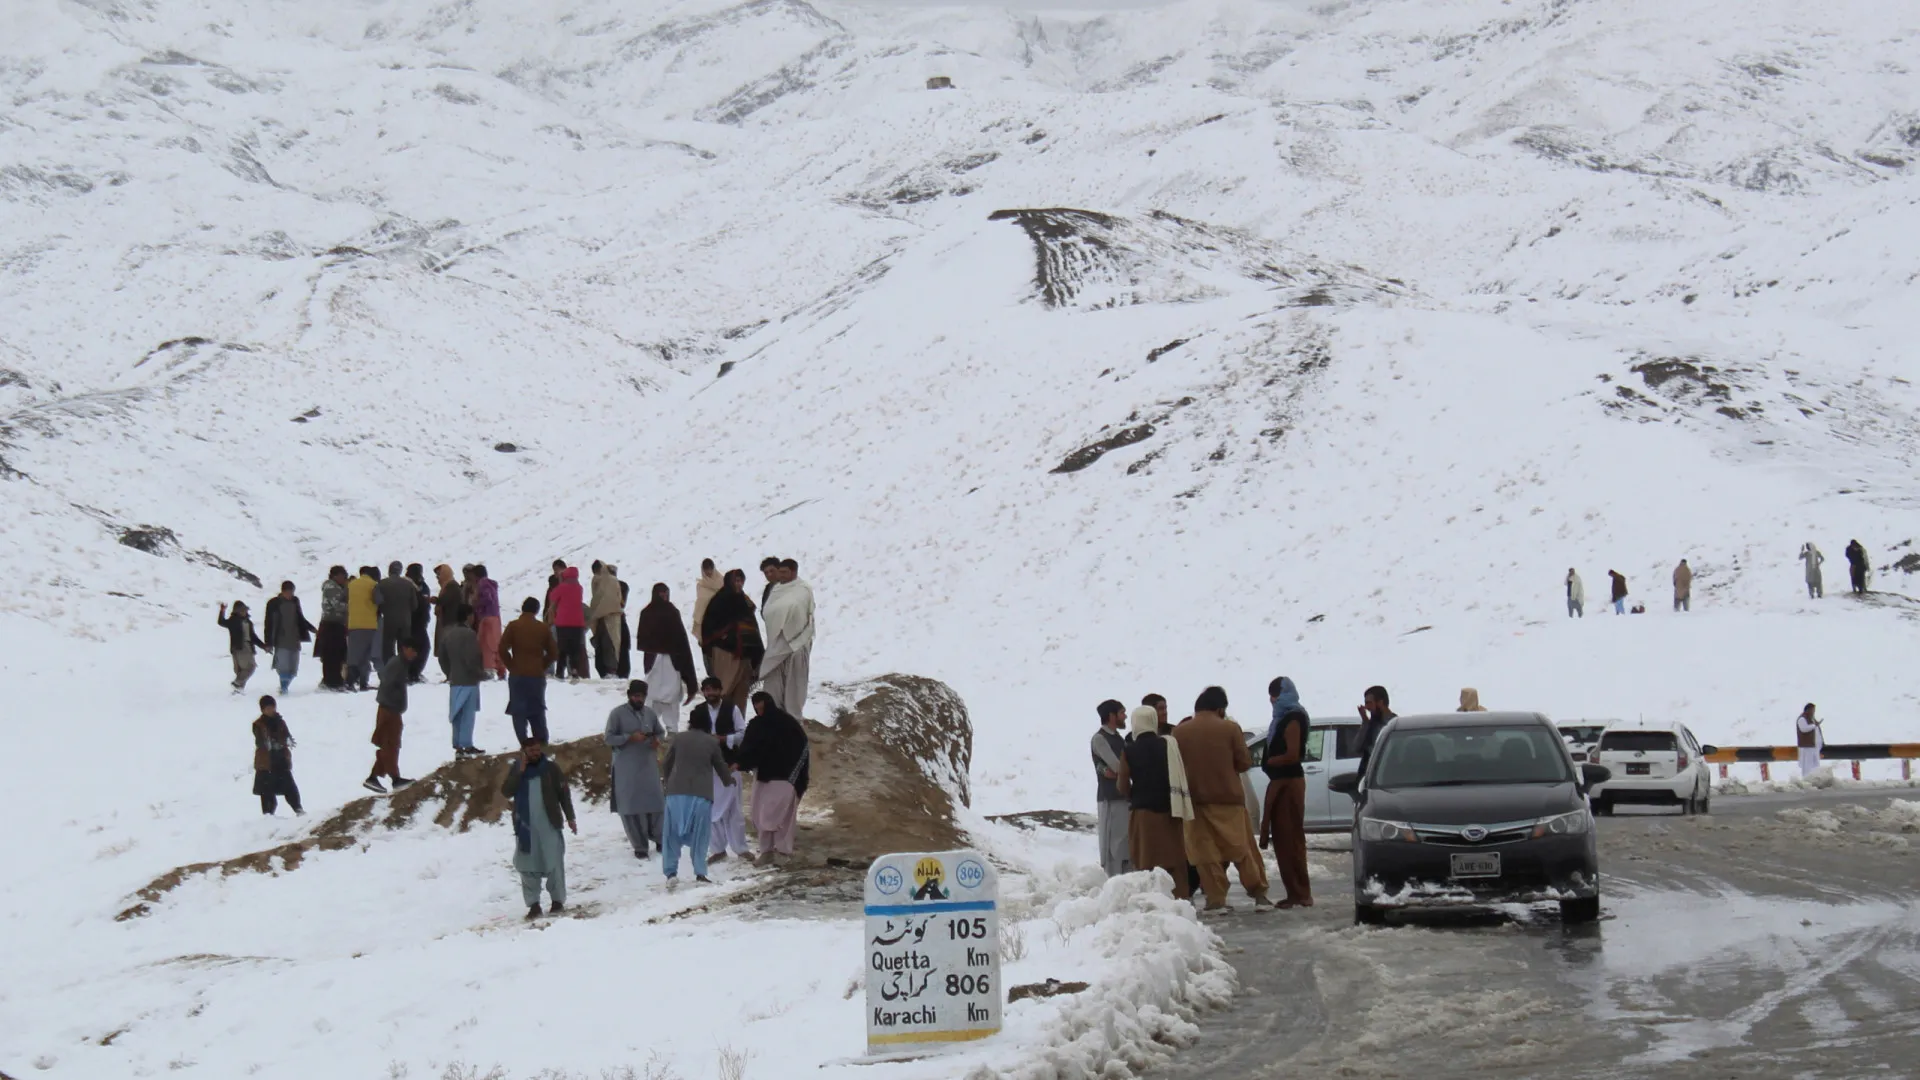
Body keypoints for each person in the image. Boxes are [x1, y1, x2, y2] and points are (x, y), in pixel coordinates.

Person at [1171, 686, 1271, 912]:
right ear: (1220, 709)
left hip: (1194, 803)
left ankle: (1216, 899)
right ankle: (1259, 894)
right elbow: (1244, 763)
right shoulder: (1230, 729)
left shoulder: (1179, 732)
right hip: (1229, 800)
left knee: (1205, 853)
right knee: (1242, 849)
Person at [1115, 705, 1191, 898]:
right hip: (1170, 810)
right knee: (1174, 861)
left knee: (1145, 861)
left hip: (1143, 813)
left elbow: (1122, 785)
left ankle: (1151, 902)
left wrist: (1133, 794)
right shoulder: (1169, 745)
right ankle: (1180, 900)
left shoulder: (1129, 751)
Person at [501, 740, 577, 919]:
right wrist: (519, 772)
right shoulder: (517, 769)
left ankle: (557, 902)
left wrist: (570, 817)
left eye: (537, 750)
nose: (535, 753)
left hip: (549, 824)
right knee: (527, 865)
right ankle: (533, 904)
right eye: (531, 750)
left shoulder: (550, 769)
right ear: (523, 752)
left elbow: (563, 794)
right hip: (526, 827)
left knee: (554, 862)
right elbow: (506, 791)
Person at [661, 709, 738, 883]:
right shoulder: (711, 742)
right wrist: (728, 781)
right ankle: (700, 873)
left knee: (671, 834)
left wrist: (668, 782)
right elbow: (720, 765)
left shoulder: (678, 738)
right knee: (700, 835)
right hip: (701, 794)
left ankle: (671, 873)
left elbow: (666, 763)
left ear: (691, 722)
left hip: (676, 793)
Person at [735, 691, 810, 865]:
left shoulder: (788, 724)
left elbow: (802, 748)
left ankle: (783, 852)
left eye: (762, 705)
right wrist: (740, 762)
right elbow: (749, 748)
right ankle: (766, 851)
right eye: (756, 706)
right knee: (760, 815)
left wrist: (796, 774)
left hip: (786, 776)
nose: (759, 709)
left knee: (782, 816)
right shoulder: (756, 725)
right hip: (763, 776)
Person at [1259, 678, 1311, 908]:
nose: (1272, 701)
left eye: (1274, 696)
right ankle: (1294, 891)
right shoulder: (1282, 718)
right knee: (1282, 839)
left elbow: (1293, 754)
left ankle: (1301, 893)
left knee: (1290, 839)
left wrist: (1271, 760)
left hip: (1288, 784)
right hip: (1280, 782)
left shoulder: (1293, 718)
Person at [605, 680, 668, 859]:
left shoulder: (650, 713)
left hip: (648, 767)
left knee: (656, 803)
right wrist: (629, 738)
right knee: (632, 807)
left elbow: (660, 732)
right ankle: (640, 846)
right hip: (627, 769)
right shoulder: (617, 714)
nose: (638, 699)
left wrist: (657, 740)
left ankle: (660, 839)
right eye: (635, 696)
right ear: (629, 695)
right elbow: (609, 738)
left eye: (641, 696)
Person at [693, 678, 751, 861]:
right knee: (709, 809)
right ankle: (717, 849)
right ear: (703, 692)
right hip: (707, 767)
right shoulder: (698, 712)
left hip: (729, 765)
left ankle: (741, 848)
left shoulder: (732, 709)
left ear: (720, 691)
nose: (710, 693)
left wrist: (724, 739)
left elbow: (743, 734)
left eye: (713, 690)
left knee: (734, 810)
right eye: (707, 690)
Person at [635, 583, 700, 732]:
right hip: (655, 661)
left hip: (671, 661)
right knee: (652, 695)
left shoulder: (669, 612)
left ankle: (671, 731)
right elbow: (644, 639)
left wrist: (690, 679)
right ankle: (648, 730)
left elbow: (681, 642)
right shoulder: (649, 613)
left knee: (671, 697)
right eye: (661, 594)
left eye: (666, 594)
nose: (664, 597)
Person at [760, 559, 816, 719]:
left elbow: (802, 612)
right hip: (777, 646)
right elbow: (767, 612)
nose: (781, 575)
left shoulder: (803, 589)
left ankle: (793, 726)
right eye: (780, 572)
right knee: (773, 692)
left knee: (794, 693)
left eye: (784, 572)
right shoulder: (775, 590)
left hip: (796, 647)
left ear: (793, 572)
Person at [498, 597, 559, 745]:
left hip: (517, 674)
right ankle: (541, 741)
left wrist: (511, 665)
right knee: (537, 709)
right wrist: (541, 665)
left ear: (522, 608)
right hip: (536, 675)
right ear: (537, 610)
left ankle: (523, 742)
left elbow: (502, 648)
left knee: (518, 710)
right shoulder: (542, 628)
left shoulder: (514, 626)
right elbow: (553, 653)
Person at [702, 569, 765, 709]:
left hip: (745, 656)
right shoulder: (719, 601)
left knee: (741, 694)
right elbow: (709, 629)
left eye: (741, 581)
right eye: (736, 581)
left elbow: (752, 628)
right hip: (725, 654)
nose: (739, 584)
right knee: (724, 690)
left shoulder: (745, 601)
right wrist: (725, 637)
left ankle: (738, 727)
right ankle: (721, 724)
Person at [366, 643, 417, 794]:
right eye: (412, 649)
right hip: (389, 710)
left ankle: (374, 777)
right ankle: (395, 779)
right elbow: (388, 684)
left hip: (391, 709)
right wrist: (394, 702)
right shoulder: (397, 664)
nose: (414, 654)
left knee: (390, 744)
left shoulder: (400, 663)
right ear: (404, 648)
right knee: (390, 745)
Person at [1090, 699, 1131, 877]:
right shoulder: (1099, 739)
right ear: (1111, 716)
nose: (1125, 716)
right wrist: (1122, 772)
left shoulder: (1118, 738)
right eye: (1122, 713)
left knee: (1124, 844)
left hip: (1122, 796)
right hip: (1110, 798)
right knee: (1113, 846)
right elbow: (1117, 767)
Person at [440, 604, 485, 756]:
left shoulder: (447, 633)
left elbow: (442, 657)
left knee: (456, 715)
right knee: (467, 714)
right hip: (469, 680)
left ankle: (458, 745)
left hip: (455, 680)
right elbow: (471, 658)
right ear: (468, 616)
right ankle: (467, 744)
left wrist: (449, 672)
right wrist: (480, 673)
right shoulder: (469, 634)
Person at [261, 580, 316, 695]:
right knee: (283, 665)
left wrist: (311, 628)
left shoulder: (295, 602)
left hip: (294, 638)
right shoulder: (273, 603)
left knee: (293, 667)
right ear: (283, 591)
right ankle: (283, 687)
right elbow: (269, 623)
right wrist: (268, 642)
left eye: (292, 592)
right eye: (289, 592)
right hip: (281, 639)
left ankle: (285, 685)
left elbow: (300, 618)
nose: (290, 594)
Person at [251, 695, 302, 816]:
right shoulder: (258, 724)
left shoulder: (280, 721)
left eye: (272, 707)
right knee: (267, 791)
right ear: (263, 710)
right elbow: (259, 740)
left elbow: (286, 735)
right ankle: (268, 815)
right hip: (266, 762)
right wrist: (267, 743)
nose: (270, 710)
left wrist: (287, 740)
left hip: (281, 760)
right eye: (267, 708)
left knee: (290, 787)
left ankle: (298, 809)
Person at [217, 600, 266, 693]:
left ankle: (238, 690)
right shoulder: (233, 621)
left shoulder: (248, 623)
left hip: (247, 647)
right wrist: (222, 611)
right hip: (239, 647)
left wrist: (263, 646)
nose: (244, 612)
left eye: (244, 610)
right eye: (241, 610)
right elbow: (221, 622)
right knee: (249, 667)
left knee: (242, 671)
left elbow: (253, 637)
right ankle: (237, 683)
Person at [550, 566, 589, 680]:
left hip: (563, 622)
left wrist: (560, 581)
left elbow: (552, 596)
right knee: (575, 649)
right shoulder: (579, 588)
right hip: (578, 623)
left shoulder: (562, 587)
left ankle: (560, 672)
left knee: (562, 648)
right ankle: (574, 670)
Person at [345, 566, 380, 690]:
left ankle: (351, 682)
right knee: (365, 655)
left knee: (354, 655)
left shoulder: (351, 584)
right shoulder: (373, 584)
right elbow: (379, 600)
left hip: (353, 623)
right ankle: (361, 683)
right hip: (369, 624)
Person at [587, 561, 623, 678]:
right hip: (609, 617)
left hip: (607, 617)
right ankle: (610, 670)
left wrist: (596, 612)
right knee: (609, 644)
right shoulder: (608, 580)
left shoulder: (605, 580)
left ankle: (611, 670)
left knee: (609, 644)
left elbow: (602, 598)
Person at [316, 566, 350, 690]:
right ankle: (331, 681)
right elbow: (337, 605)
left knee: (338, 654)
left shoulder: (338, 587)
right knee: (332, 654)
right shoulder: (331, 587)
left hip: (338, 624)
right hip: (331, 624)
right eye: (343, 576)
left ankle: (335, 679)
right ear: (336, 576)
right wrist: (353, 606)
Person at [471, 565, 505, 679]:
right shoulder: (492, 584)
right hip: (495, 617)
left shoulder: (483, 584)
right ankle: (501, 668)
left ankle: (489, 669)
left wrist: (476, 603)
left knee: (486, 644)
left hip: (487, 617)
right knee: (496, 643)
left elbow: (487, 598)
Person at [1355, 685, 1395, 778]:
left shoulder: (1394, 725)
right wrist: (1365, 722)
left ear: (1380, 703)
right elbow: (1357, 748)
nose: (1367, 707)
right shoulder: (1371, 724)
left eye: (1369, 703)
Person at [692, 559, 724, 676]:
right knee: (710, 662)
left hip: (722, 628)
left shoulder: (723, 582)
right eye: (706, 569)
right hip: (707, 629)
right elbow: (701, 606)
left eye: (710, 568)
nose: (709, 572)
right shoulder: (701, 586)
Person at [405, 563, 434, 681]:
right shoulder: (407, 585)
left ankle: (413, 672)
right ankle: (412, 672)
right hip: (411, 621)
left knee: (420, 648)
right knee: (421, 647)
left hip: (420, 621)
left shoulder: (421, 585)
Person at [434, 564, 465, 657]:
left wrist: (436, 600)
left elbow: (445, 600)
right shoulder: (446, 586)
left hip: (451, 621)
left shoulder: (452, 586)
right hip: (447, 621)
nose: (438, 578)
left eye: (439, 575)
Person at [1796, 703, 1825, 778]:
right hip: (1807, 746)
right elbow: (1804, 729)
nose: (1813, 712)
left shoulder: (1811, 719)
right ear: (1808, 710)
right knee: (1807, 765)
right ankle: (1806, 779)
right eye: (1812, 710)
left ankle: (1815, 779)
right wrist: (1814, 725)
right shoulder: (1802, 719)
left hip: (1814, 746)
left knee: (1815, 765)